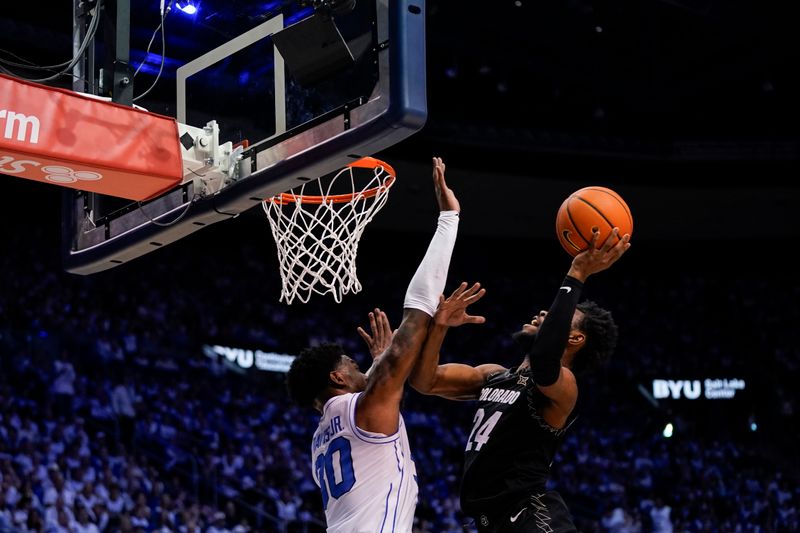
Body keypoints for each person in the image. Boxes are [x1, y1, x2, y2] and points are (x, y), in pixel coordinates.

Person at [286, 157, 484, 533]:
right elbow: (413, 320)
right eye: (353, 365)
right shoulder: (358, 410)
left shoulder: (322, 439)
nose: (362, 367)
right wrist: (448, 220)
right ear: (337, 378)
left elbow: (382, 403)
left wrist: (381, 365)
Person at [408, 228, 631, 532]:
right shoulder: (493, 375)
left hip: (531, 516)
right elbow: (424, 381)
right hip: (487, 522)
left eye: (556, 316)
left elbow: (543, 361)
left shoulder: (564, 387)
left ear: (575, 338)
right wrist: (440, 327)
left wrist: (577, 272)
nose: (544, 312)